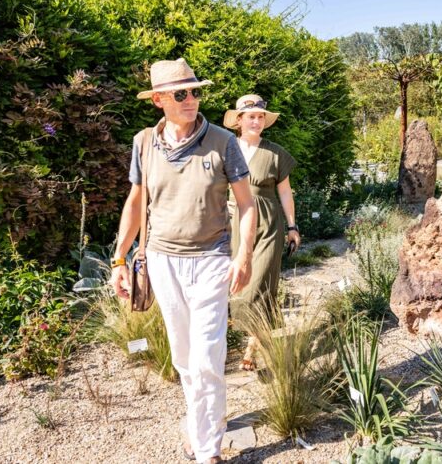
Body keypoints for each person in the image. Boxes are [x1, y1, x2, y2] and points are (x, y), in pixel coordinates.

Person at [109, 58, 256, 464]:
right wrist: (119, 259)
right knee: (183, 357)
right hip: (161, 260)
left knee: (207, 356)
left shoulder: (223, 141)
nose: (191, 99)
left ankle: (207, 449)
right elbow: (136, 203)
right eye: (180, 93)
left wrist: (243, 256)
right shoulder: (143, 143)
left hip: (211, 259)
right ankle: (201, 423)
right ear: (159, 100)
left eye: (195, 91)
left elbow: (246, 205)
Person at [223, 94, 299, 371]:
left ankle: (251, 348)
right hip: (234, 223)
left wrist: (292, 226)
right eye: (250, 116)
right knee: (236, 284)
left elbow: (285, 193)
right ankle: (248, 336)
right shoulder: (227, 149)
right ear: (239, 121)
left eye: (260, 117)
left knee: (261, 284)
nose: (256, 121)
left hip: (268, 224)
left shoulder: (275, 153)